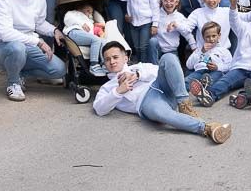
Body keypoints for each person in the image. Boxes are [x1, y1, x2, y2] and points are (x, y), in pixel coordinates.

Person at [94, 41, 232, 144]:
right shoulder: (107, 87)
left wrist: (137, 74)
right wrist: (118, 91)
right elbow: (100, 109)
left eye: (115, 57)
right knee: (161, 113)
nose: (112, 61)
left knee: (168, 58)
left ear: (125, 58)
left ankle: (184, 104)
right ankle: (208, 128)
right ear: (104, 64)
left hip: (163, 87)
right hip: (147, 102)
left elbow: (159, 69)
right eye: (107, 59)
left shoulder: (139, 67)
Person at [62, 1, 108, 76]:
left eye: (91, 12)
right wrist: (82, 24)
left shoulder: (89, 20)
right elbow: (67, 20)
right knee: (96, 40)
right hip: (74, 32)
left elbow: (92, 32)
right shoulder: (72, 13)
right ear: (79, 8)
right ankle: (94, 65)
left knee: (103, 41)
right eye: (87, 11)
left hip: (85, 36)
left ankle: (104, 63)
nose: (89, 13)